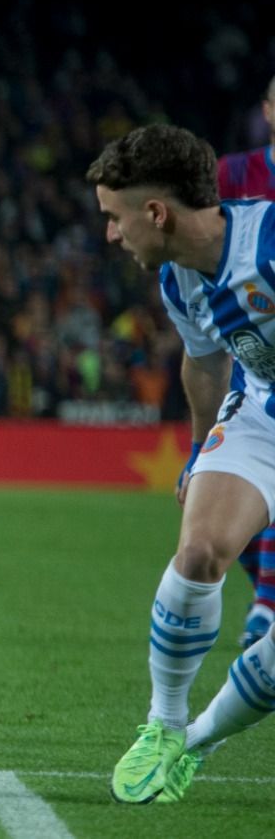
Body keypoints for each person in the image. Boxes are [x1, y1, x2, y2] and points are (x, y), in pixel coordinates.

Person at [89, 123, 275, 804]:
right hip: (263, 410)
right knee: (198, 551)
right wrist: (200, 453)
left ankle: (198, 739)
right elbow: (205, 363)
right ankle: (163, 725)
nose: (113, 234)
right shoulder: (179, 277)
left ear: (156, 213)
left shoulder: (270, 243)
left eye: (116, 217)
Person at [216, 77, 275, 648]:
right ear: (267, 111)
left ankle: (265, 602)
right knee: (222, 501)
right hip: (246, 346)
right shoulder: (233, 174)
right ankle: (263, 586)